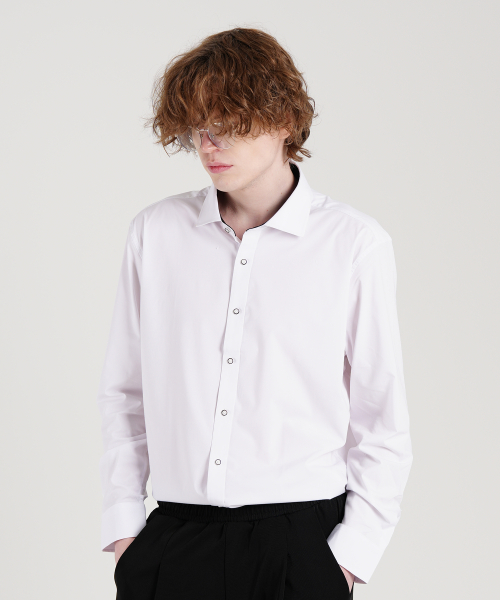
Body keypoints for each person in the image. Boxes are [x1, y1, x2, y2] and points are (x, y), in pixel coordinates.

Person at [96, 27, 413, 600]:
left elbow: (381, 418)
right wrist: (126, 534)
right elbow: (125, 393)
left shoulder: (354, 244)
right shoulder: (156, 233)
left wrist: (344, 561)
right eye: (197, 125)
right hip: (174, 541)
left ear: (284, 119)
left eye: (228, 122)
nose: (208, 142)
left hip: (300, 545)